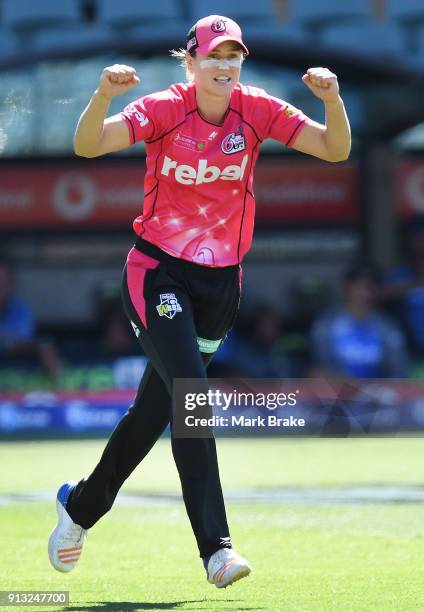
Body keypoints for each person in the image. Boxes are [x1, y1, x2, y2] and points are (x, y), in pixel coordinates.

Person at [48, 14, 351, 588]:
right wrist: (102, 95)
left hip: (221, 288)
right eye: (213, 56)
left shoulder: (258, 109)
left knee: (153, 413)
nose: (224, 66)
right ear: (190, 61)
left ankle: (80, 507)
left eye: (233, 56)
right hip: (157, 273)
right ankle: (217, 549)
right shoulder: (165, 107)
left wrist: (333, 100)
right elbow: (88, 146)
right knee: (192, 398)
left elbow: (335, 150)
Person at [310, 263, 408, 378]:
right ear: (346, 287)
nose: (365, 292)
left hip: (377, 391)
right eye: (358, 286)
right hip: (338, 390)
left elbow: (398, 369)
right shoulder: (326, 323)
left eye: (370, 286)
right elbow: (320, 365)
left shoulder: (387, 326)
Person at [0, 258, 61, 385]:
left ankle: (57, 390)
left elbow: (20, 342)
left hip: (14, 360)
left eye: (5, 283)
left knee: (46, 346)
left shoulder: (20, 309)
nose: (2, 288)